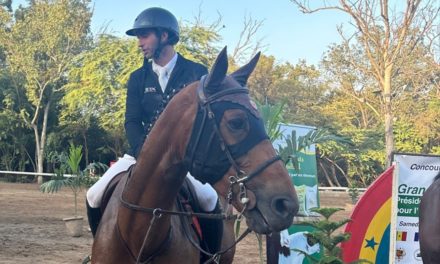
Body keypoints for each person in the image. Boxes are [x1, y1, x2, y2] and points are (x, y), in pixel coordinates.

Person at [85, 7, 222, 254]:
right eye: (138, 37)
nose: (140, 43)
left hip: (183, 159)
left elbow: (204, 122)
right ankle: (100, 248)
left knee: (209, 199)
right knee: (94, 195)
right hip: (139, 154)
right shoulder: (137, 78)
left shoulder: (196, 73)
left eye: (144, 36)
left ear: (165, 36)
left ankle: (211, 257)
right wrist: (144, 154)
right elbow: (132, 121)